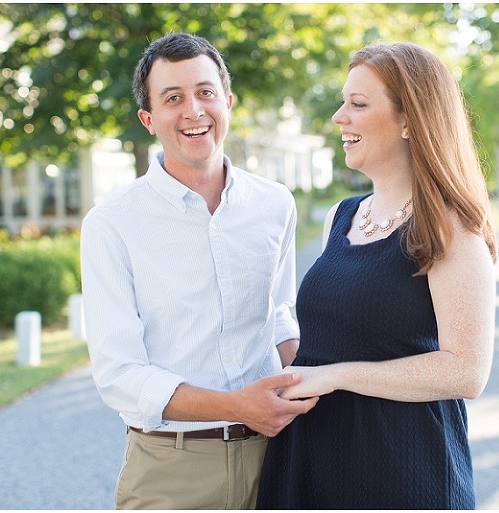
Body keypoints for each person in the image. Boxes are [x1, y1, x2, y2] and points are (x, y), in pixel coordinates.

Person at [79, 32, 318, 510]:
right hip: (170, 470)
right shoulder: (111, 224)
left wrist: (307, 377)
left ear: (227, 101)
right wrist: (235, 406)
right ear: (148, 119)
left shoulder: (274, 204)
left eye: (205, 92)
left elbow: (278, 315)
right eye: (173, 98)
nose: (194, 110)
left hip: (278, 458)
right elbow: (119, 373)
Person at [257, 42, 498, 509]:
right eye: (343, 101)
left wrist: (335, 376)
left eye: (358, 104)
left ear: (411, 120)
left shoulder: (454, 233)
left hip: (400, 467)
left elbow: (467, 372)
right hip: (311, 457)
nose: (339, 117)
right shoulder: (340, 216)